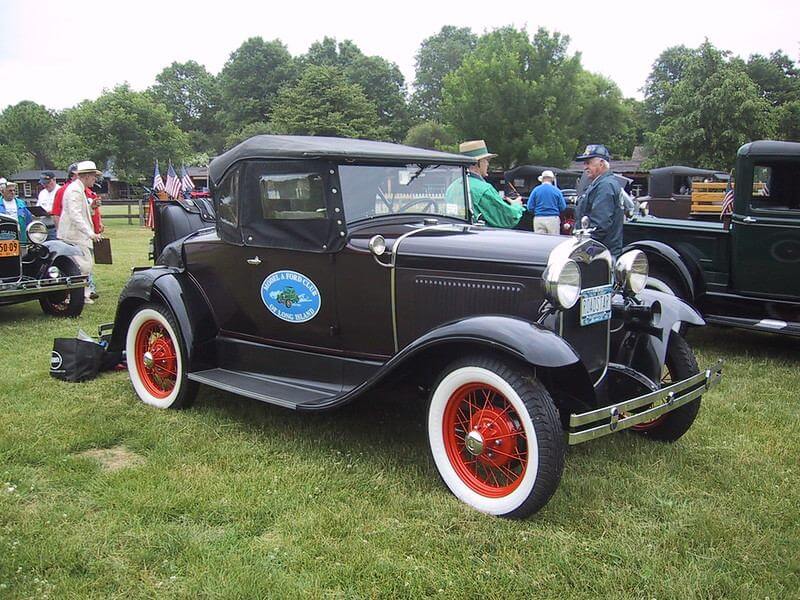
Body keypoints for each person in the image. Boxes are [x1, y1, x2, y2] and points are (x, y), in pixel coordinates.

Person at [449, 140, 524, 229]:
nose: (488, 164)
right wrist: (517, 205)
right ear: (477, 163)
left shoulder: (452, 186)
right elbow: (508, 218)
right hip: (478, 236)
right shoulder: (484, 189)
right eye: (486, 160)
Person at [57, 160, 102, 304]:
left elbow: (81, 212)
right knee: (81, 266)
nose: (95, 179)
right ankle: (73, 296)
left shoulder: (78, 189)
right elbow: (75, 215)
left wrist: (92, 207)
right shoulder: (75, 190)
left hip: (76, 235)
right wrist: (90, 233)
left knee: (84, 266)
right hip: (74, 236)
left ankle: (81, 294)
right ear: (86, 176)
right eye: (93, 176)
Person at [574, 144, 623, 259]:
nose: (585, 167)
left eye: (588, 162)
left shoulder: (605, 185)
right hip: (602, 251)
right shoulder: (603, 183)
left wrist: (582, 251)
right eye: (584, 163)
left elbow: (599, 225)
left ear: (601, 163)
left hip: (600, 254)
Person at [527, 169, 566, 234]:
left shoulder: (536, 190)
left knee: (540, 241)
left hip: (539, 218)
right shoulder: (557, 190)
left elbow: (529, 207)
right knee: (553, 241)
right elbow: (563, 207)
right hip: (553, 219)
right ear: (552, 179)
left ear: (542, 179)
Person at [51, 163, 78, 229]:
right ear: (72, 176)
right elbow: (56, 214)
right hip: (70, 231)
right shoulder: (62, 191)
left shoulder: (86, 190)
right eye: (81, 175)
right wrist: (59, 232)